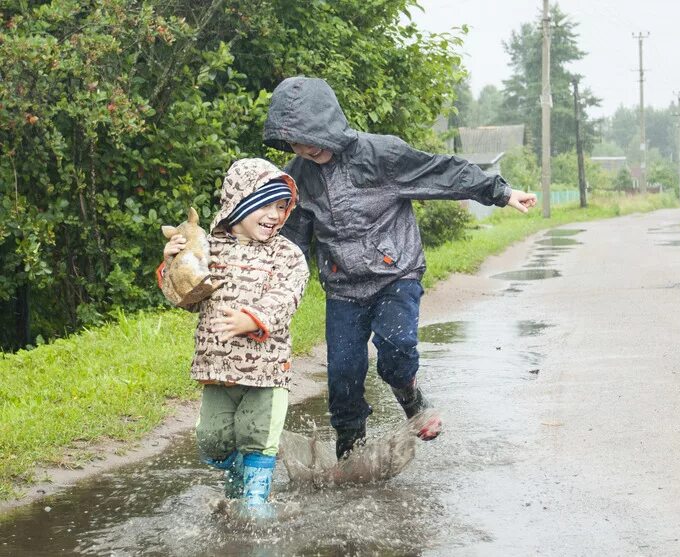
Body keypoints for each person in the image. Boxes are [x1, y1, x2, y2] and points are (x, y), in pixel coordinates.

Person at [262, 76, 537, 460]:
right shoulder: (298, 176)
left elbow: (442, 172)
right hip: (343, 286)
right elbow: (291, 243)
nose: (303, 148)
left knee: (396, 349)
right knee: (342, 376)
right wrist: (263, 287)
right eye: (292, 142)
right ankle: (350, 452)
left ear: (328, 125)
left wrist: (501, 192)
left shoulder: (380, 156)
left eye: (308, 137)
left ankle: (411, 398)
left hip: (396, 274)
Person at [158, 158, 309, 518]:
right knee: (213, 441)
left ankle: (256, 503)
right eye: (265, 204)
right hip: (217, 369)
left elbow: (287, 297)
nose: (274, 215)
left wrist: (252, 319)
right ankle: (238, 481)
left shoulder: (287, 255)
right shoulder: (209, 250)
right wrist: (174, 264)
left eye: (281, 206)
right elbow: (187, 297)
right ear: (239, 203)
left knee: (257, 434)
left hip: (267, 371)